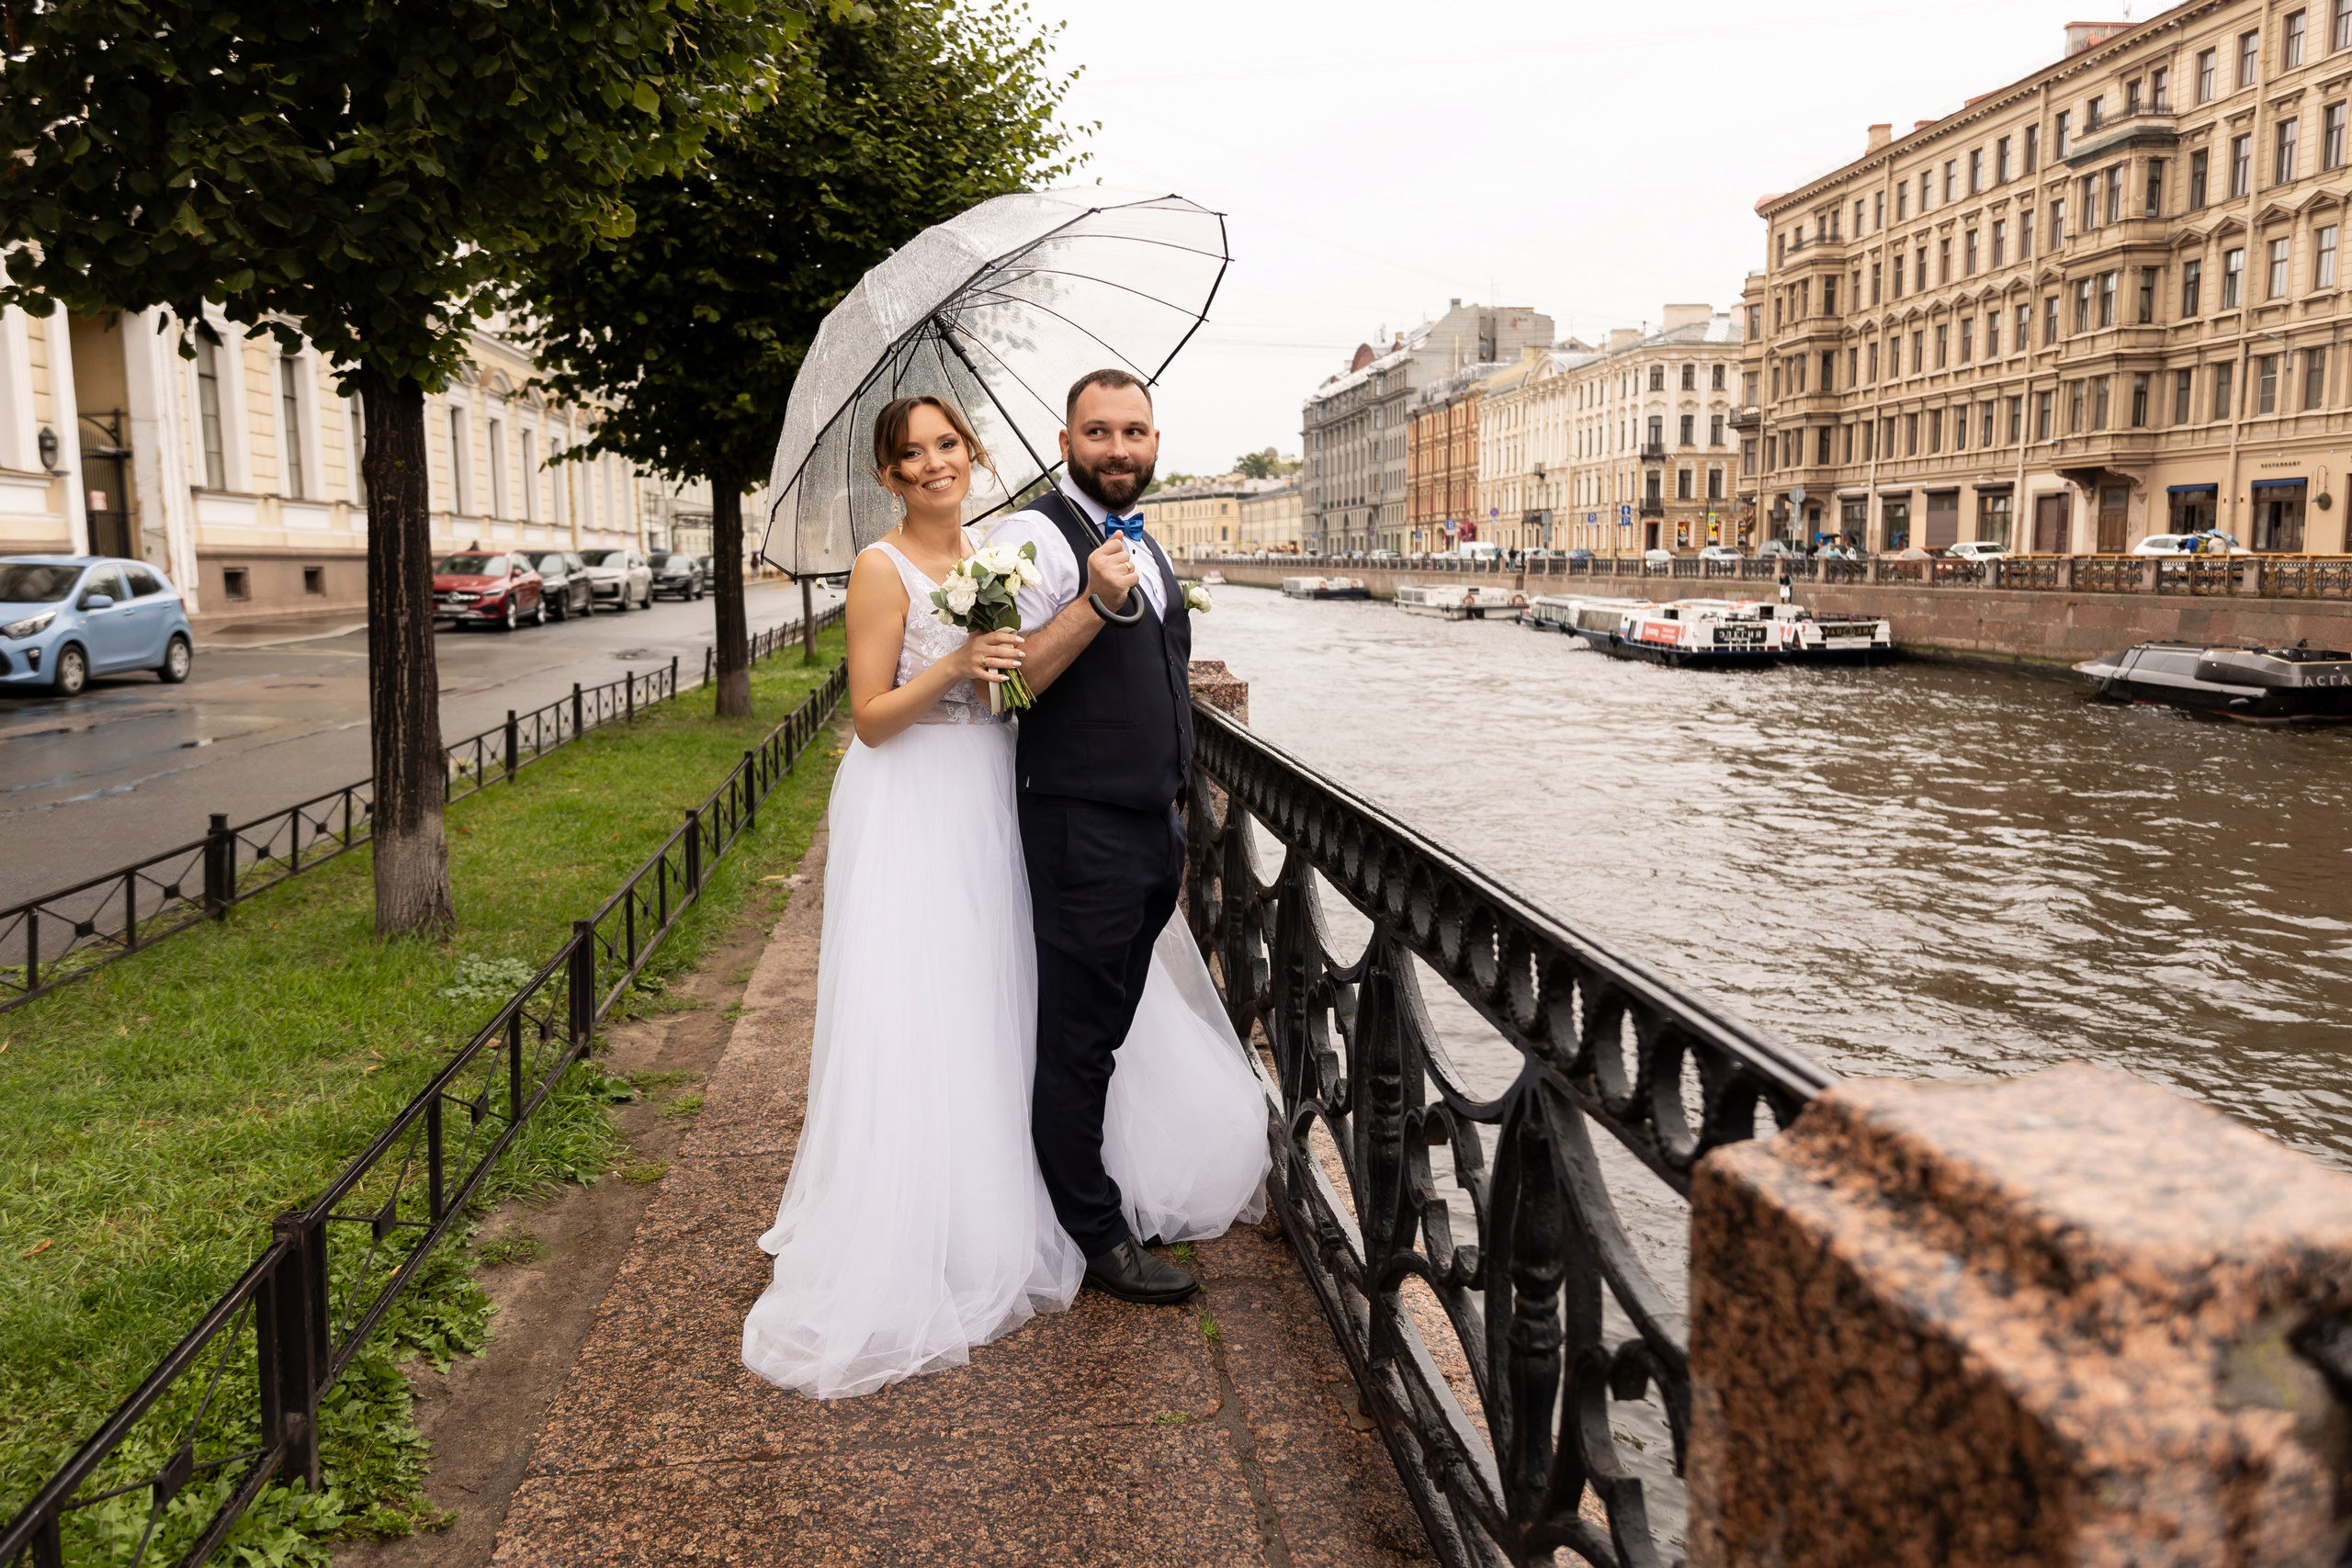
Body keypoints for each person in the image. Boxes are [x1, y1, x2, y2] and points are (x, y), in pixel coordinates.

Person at [739, 391, 1266, 1401]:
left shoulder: (998, 550)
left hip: (996, 789)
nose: (933, 465)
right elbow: (874, 715)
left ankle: (1008, 1195)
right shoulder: (884, 566)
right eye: (911, 455)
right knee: (931, 1001)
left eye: (946, 446)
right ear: (888, 475)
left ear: (972, 451)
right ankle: (946, 1213)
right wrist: (958, 665)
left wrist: (1004, 673)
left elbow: (1012, 694)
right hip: (917, 797)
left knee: (1005, 998)